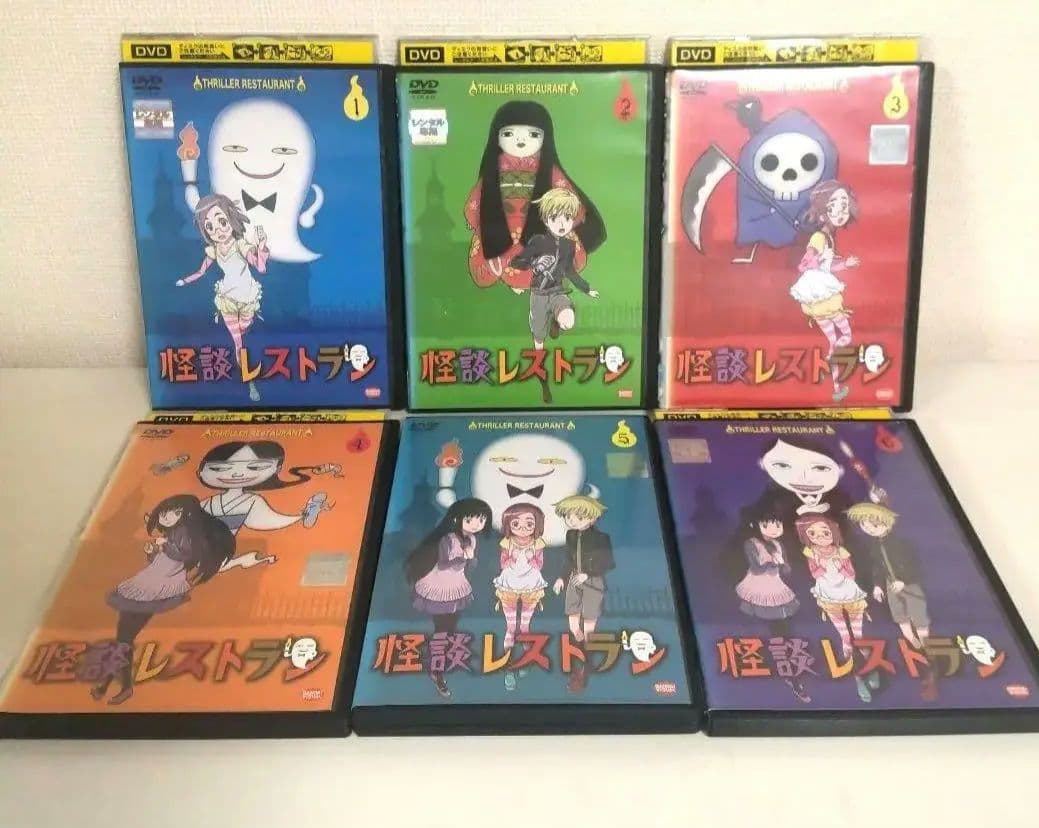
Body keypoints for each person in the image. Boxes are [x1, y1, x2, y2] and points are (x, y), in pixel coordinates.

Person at [91, 495, 233, 705]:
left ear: (186, 515)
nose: (167, 516)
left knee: (124, 638)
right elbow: (162, 562)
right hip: (149, 582)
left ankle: (120, 686)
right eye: (165, 511)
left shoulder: (185, 534)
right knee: (123, 638)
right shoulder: (172, 533)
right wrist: (153, 551)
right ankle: (110, 684)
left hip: (156, 588)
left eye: (175, 512)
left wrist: (163, 545)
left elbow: (184, 554)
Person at [464, 100, 605, 289]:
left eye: (533, 134)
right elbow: (478, 199)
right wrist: (475, 218)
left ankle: (544, 273)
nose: (520, 141)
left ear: (545, 138)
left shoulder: (549, 171)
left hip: (540, 224)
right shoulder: (495, 170)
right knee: (492, 247)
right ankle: (501, 268)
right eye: (508, 134)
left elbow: (565, 195)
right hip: (502, 224)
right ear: (496, 137)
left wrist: (569, 215)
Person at [175, 193, 269, 401]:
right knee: (238, 343)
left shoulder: (241, 244)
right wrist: (185, 281)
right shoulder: (214, 250)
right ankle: (250, 383)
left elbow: (261, 268)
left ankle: (252, 374)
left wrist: (261, 246)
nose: (217, 230)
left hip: (247, 298)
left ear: (231, 219)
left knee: (245, 336)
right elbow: (201, 272)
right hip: (227, 300)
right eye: (209, 227)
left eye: (222, 222)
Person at [847, 502, 937, 701]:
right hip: (890, 587)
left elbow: (917, 567)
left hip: (910, 586)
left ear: (887, 523)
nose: (869, 529)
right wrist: (878, 586)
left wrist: (904, 580)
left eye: (874, 524)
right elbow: (878, 568)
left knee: (920, 623)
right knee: (903, 623)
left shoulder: (902, 543)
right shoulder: (874, 545)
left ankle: (929, 660)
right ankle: (920, 654)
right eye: (865, 525)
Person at [406, 498, 493, 698]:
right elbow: (444, 563)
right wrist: (464, 557)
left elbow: (470, 566)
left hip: (456, 586)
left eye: (481, 520)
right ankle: (436, 670)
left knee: (450, 626)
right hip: (439, 585)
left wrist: (471, 558)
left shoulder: (472, 539)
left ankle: (440, 659)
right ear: (457, 519)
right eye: (470, 520)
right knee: (442, 628)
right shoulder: (449, 539)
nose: (476, 525)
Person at [788, 180, 861, 402]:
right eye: (833, 205)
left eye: (844, 204)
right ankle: (832, 361)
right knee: (845, 336)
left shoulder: (828, 237)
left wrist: (845, 264)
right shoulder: (819, 237)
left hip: (819, 297)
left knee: (835, 340)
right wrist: (811, 259)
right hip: (821, 295)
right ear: (821, 212)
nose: (840, 210)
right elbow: (807, 261)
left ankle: (836, 386)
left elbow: (827, 266)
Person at [795, 514, 877, 703]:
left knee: (859, 636)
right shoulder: (811, 553)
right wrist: (823, 566)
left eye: (825, 532)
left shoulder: (841, 551)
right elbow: (815, 573)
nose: (820, 537)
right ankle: (858, 678)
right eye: (813, 534)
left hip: (849, 592)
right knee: (845, 638)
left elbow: (851, 573)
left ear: (833, 532)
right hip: (828, 594)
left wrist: (839, 566)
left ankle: (871, 669)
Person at [731, 504, 808, 702]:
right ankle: (782, 670)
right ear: (756, 525)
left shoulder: (779, 545)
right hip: (758, 587)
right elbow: (756, 568)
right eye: (767, 525)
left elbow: (787, 569)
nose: (773, 529)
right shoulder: (751, 543)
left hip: (776, 587)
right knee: (767, 627)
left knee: (782, 628)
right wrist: (773, 562)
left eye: (777, 525)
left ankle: (791, 673)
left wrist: (782, 563)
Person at [552, 495, 614, 693]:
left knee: (588, 628)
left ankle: (586, 666)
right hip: (573, 581)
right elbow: (568, 560)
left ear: (592, 518)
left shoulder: (601, 538)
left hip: (593, 583)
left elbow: (608, 562)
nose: (572, 521)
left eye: (578, 517)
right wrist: (561, 578)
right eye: (568, 517)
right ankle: (580, 658)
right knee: (573, 626)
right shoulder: (571, 535)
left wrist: (588, 574)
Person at [493, 502, 548, 691]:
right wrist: (512, 557)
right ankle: (509, 668)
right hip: (509, 583)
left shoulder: (538, 543)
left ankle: (525, 661)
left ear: (536, 524)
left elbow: (539, 565)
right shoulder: (506, 542)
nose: (523, 529)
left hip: (531, 585)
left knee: (524, 627)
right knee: (511, 627)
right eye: (516, 524)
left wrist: (532, 557)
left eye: (529, 524)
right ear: (508, 524)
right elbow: (503, 563)